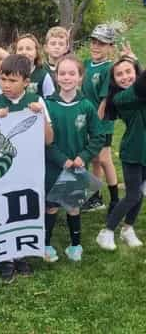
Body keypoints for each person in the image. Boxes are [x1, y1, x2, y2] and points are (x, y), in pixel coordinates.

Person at [0, 54, 53, 282]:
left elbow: (48, 140)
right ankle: (6, 256)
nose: (6, 85)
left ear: (26, 81)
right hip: (5, 170)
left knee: (25, 208)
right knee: (4, 208)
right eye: (3, 79)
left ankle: (22, 253)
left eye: (12, 80)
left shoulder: (36, 101)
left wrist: (40, 116)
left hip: (29, 169)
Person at [44, 54, 104, 263]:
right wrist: (62, 160)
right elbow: (44, 142)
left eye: (72, 73)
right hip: (52, 166)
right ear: (56, 76)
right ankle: (46, 244)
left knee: (72, 206)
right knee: (50, 206)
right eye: (62, 73)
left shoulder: (86, 106)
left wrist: (84, 156)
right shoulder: (47, 105)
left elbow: (98, 136)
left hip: (77, 166)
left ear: (80, 77)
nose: (66, 77)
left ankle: (75, 246)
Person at [96, 56, 146, 250]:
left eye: (128, 71)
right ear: (114, 80)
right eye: (119, 74)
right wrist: (137, 64)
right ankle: (106, 232)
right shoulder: (120, 98)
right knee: (133, 195)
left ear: (135, 73)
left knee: (140, 193)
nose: (124, 77)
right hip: (132, 152)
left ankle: (127, 229)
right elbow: (140, 87)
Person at [81, 24, 118, 212]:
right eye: (94, 42)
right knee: (95, 160)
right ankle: (95, 197)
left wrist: (94, 126)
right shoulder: (86, 64)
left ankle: (115, 200)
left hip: (101, 123)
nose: (96, 46)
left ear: (110, 46)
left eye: (102, 43)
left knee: (104, 159)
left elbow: (104, 100)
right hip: (87, 121)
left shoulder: (108, 68)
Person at [13, 34, 55, 98]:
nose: (24, 52)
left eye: (28, 49)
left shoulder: (43, 75)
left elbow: (51, 100)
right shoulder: (9, 73)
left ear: (36, 53)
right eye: (20, 49)